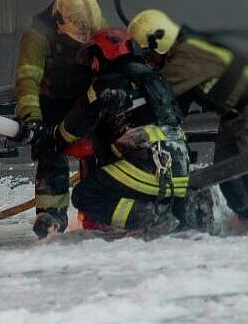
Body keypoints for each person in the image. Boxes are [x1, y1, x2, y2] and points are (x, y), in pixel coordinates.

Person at [127, 9, 248, 232]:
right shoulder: (181, 54)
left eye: (148, 54)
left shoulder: (187, 57)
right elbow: (177, 104)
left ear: (160, 41)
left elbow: (161, 92)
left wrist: (129, 112)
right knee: (224, 166)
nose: (148, 61)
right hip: (232, 114)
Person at [20, 27, 188, 236]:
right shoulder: (155, 79)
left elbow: (69, 132)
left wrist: (48, 134)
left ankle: (150, 217)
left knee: (85, 195)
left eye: (94, 58)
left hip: (146, 169)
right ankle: (185, 210)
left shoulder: (106, 86)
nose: (92, 65)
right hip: (178, 170)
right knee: (123, 179)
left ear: (104, 55)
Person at [11, 0, 104, 238]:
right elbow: (27, 80)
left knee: (103, 149)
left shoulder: (96, 27)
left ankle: (100, 209)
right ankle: (51, 216)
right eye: (77, 39)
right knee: (50, 150)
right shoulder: (37, 37)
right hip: (50, 104)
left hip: (88, 102)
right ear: (59, 22)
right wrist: (32, 119)